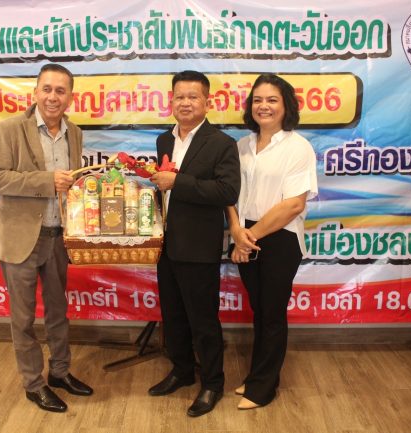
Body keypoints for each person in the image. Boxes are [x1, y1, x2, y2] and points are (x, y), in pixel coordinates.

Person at [0, 63, 92, 413]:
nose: (53, 97)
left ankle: (60, 372)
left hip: (59, 237)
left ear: (70, 97)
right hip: (20, 239)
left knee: (59, 311)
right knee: (24, 318)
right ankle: (33, 383)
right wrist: (47, 181)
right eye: (47, 89)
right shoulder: (10, 128)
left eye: (60, 90)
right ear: (35, 92)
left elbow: (71, 184)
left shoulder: (75, 133)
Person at [149, 70, 240, 417]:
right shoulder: (164, 140)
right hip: (166, 245)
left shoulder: (221, 143)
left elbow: (227, 191)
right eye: (179, 97)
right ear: (171, 100)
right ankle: (183, 371)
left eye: (193, 97)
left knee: (203, 321)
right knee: (173, 316)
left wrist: (178, 182)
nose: (185, 103)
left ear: (207, 101)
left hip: (199, 248)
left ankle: (213, 382)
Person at [226, 74, 318, 410]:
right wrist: (236, 230)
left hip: (279, 238)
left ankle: (262, 388)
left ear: (286, 106)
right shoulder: (241, 146)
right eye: (258, 100)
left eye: (272, 100)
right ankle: (259, 377)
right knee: (260, 311)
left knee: (273, 313)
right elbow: (229, 193)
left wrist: (247, 238)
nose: (263, 106)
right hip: (244, 233)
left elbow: (294, 204)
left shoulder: (298, 147)